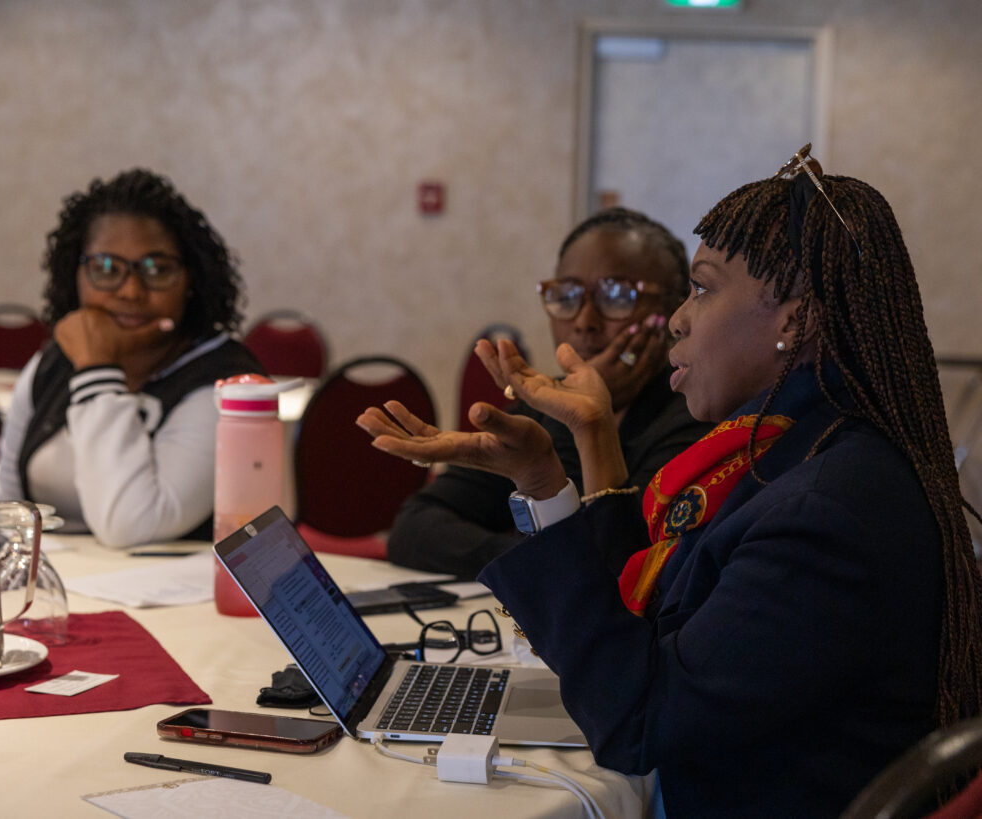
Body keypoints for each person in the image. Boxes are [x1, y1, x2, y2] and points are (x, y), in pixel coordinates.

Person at [357, 146, 982, 817]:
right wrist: (544, 479)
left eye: (703, 287)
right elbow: (659, 620)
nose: (681, 318)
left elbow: (639, 723)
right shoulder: (798, 449)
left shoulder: (822, 507)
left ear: (795, 319)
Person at [388, 208, 710, 579]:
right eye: (567, 295)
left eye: (617, 296)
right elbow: (414, 530)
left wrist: (579, 418)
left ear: (674, 308)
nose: (585, 321)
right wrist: (531, 561)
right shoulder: (541, 404)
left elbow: (615, 565)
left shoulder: (697, 416)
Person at [0, 169, 263, 547]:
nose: (131, 291)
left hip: (178, 599)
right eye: (106, 269)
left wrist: (98, 371)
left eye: (157, 269)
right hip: (66, 586)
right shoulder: (55, 361)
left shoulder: (223, 383)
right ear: (75, 276)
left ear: (192, 281)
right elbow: (5, 500)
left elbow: (131, 525)